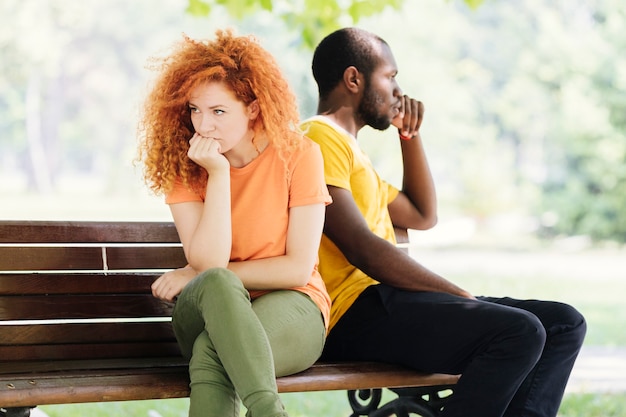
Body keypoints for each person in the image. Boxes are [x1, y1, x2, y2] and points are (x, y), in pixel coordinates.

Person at [300, 27, 586, 417]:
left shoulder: (354, 154)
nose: (398, 91)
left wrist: (409, 135)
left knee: (563, 324)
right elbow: (362, 247)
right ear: (354, 79)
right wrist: (458, 294)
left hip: (387, 303)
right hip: (351, 312)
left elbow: (421, 214)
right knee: (519, 332)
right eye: (390, 76)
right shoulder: (318, 137)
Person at [137, 30, 332, 417]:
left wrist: (198, 272)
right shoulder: (186, 166)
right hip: (206, 310)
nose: (203, 125)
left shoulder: (300, 155)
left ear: (254, 109)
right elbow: (210, 266)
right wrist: (219, 175)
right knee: (218, 283)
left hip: (295, 306)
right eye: (194, 110)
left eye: (218, 111)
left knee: (213, 355)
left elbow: (296, 268)